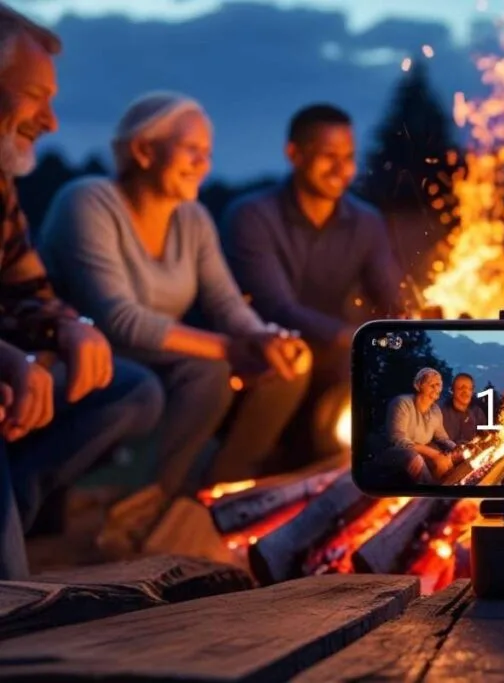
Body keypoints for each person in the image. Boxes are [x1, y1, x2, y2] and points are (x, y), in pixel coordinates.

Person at [37, 92, 312, 553]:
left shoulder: (193, 219)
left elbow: (227, 304)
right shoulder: (87, 202)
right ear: (144, 151)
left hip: (154, 359)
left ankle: (172, 506)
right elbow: (117, 319)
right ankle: (130, 514)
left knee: (275, 372)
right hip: (76, 354)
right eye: (192, 151)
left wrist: (266, 338)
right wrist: (229, 349)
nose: (203, 164)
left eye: (208, 154)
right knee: (210, 371)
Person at [0, 6, 163, 578]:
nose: (51, 121)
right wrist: (13, 361)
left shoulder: (1, 183)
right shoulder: (89, 203)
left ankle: (19, 510)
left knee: (134, 391)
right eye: (35, 96)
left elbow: (25, 288)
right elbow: (123, 313)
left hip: (18, 368)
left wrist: (69, 328)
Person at [221, 104, 407, 461]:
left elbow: (392, 299)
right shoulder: (251, 216)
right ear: (294, 154)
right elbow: (276, 306)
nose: (342, 169)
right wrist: (358, 339)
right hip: (263, 356)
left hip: (334, 361)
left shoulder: (366, 222)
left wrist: (416, 333)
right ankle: (225, 481)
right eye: (328, 156)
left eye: (349, 157)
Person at [376, 367, 456, 485]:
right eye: (431, 384)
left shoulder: (435, 410)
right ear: (418, 385)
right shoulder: (402, 403)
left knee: (444, 456)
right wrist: (434, 454)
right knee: (413, 456)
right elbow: (397, 440)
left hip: (422, 450)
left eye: (439, 384)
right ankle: (430, 493)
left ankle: (448, 486)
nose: (436, 388)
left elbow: (442, 437)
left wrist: (456, 448)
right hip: (395, 452)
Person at [440, 372, 485, 444]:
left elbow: (484, 436)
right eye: (461, 388)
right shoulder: (441, 413)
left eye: (469, 388)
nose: (465, 392)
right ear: (452, 390)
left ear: (472, 391)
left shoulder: (477, 413)